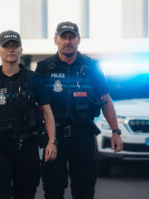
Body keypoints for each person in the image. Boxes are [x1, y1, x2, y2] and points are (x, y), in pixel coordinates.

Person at [36, 21, 123, 199]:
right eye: (63, 37)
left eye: (72, 37)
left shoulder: (92, 67)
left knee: (84, 190)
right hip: (54, 137)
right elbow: (36, 104)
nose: (68, 42)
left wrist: (115, 131)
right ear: (55, 40)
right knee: (52, 190)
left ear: (78, 40)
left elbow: (106, 101)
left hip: (83, 136)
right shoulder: (44, 67)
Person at [0, 30, 57, 199]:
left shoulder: (34, 79)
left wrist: (52, 141)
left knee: (25, 195)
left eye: (15, 46)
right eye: (6, 46)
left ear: (21, 50)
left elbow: (47, 112)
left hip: (27, 149)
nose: (11, 50)